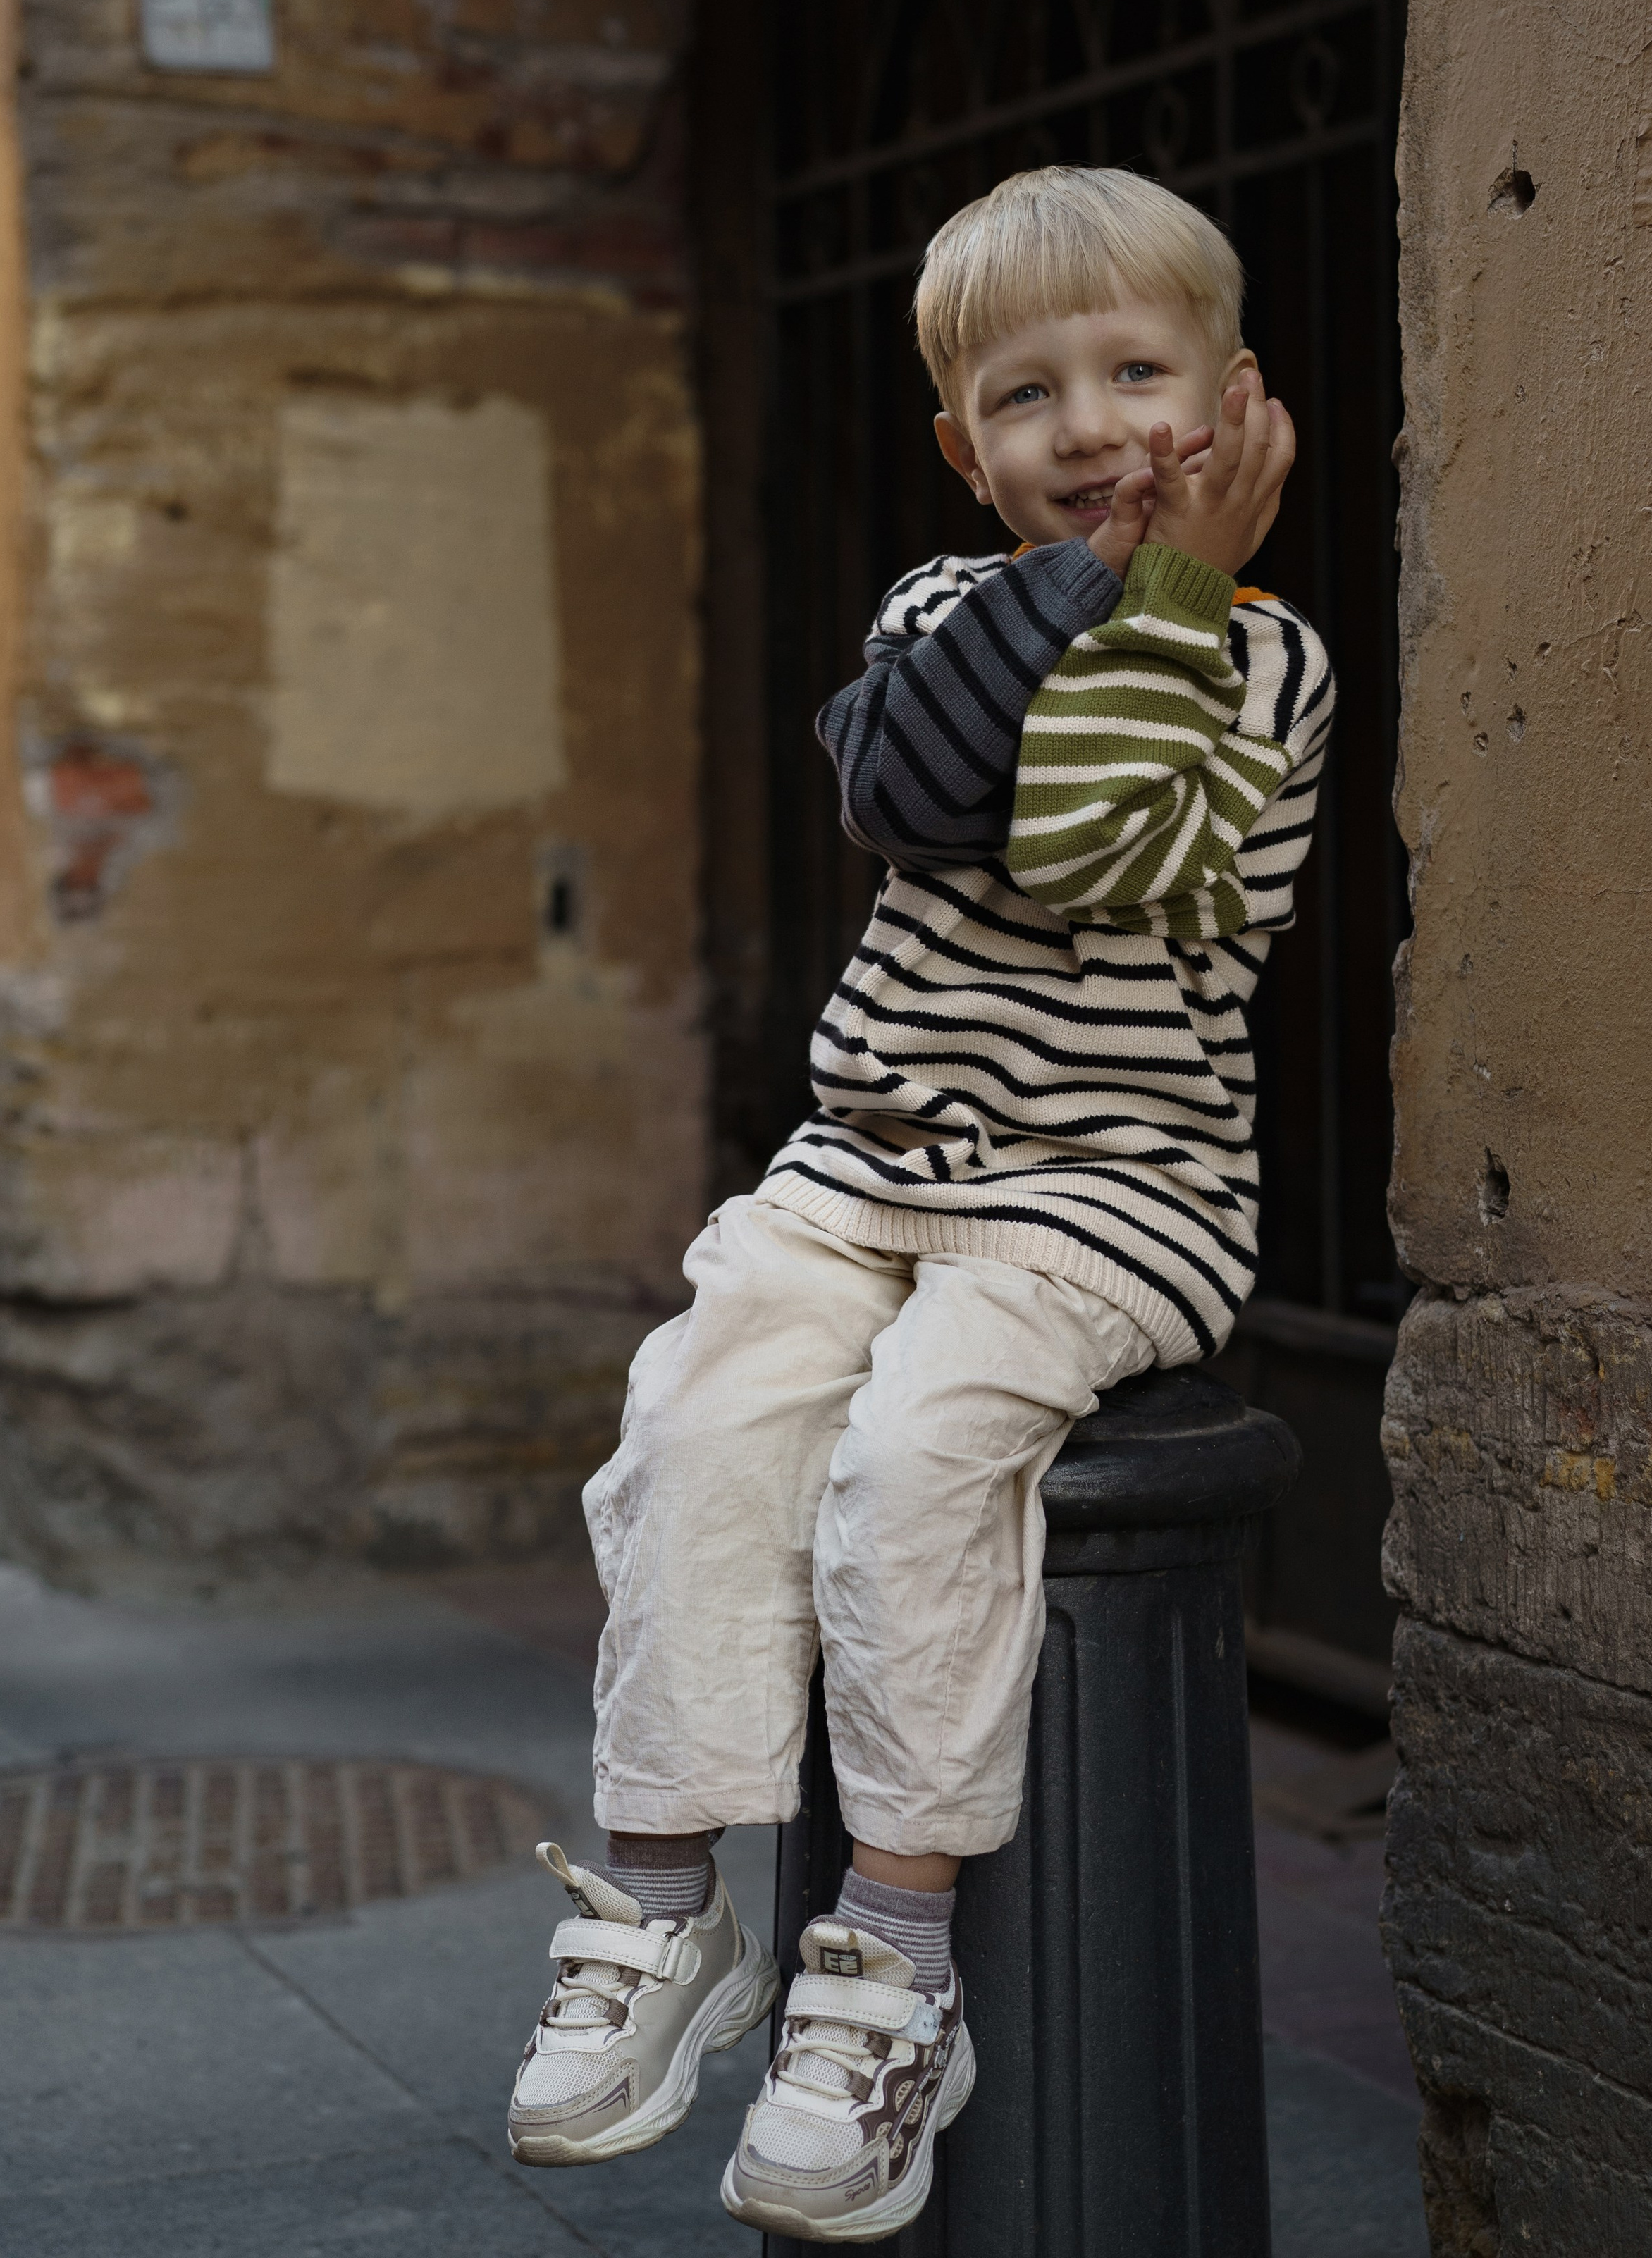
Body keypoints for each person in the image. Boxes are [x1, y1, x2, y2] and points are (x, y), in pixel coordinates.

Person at [504, 165, 1333, 2241]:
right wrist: (1101, 586)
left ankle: (887, 1969)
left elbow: (1102, 848)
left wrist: (1171, 596)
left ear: (1231, 409)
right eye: (1030, 394)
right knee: (699, 1414)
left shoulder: (1273, 664)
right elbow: (905, 782)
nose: (1092, 428)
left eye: (1138, 375)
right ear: (967, 451)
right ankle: (668, 1901)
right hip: (869, 1163)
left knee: (911, 1466)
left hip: (1113, 1195)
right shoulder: (938, 612)